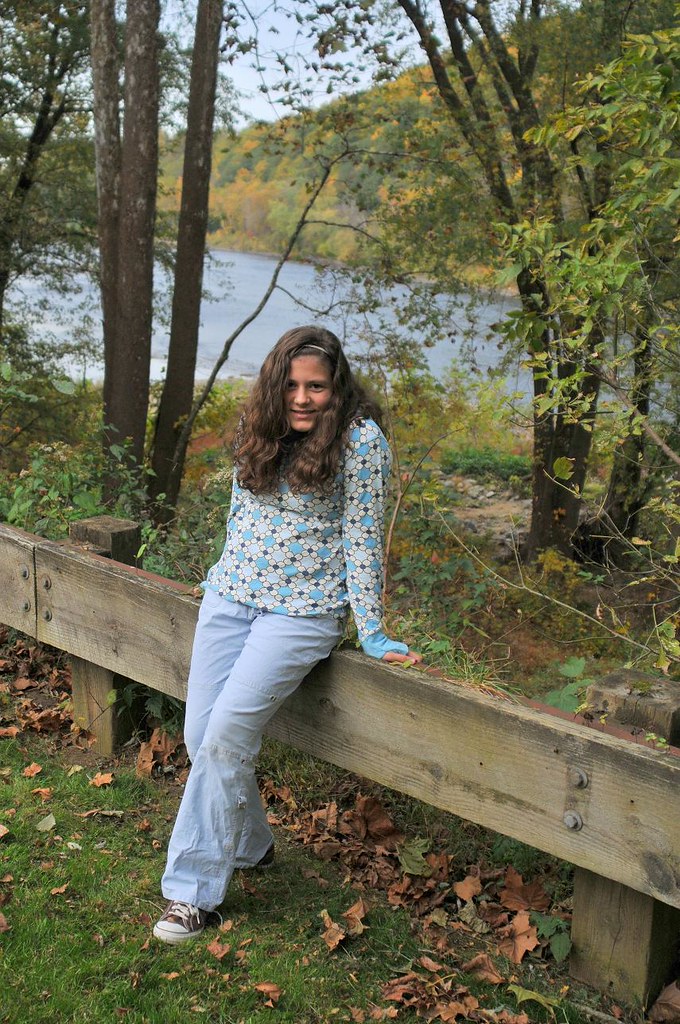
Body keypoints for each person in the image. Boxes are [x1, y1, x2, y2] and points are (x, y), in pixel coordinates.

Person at [153, 325, 422, 944]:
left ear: (337, 387)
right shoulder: (260, 421)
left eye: (317, 387)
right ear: (278, 381)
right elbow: (239, 508)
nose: (303, 398)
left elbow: (362, 540)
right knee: (200, 732)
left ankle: (192, 895)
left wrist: (372, 630)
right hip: (231, 596)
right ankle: (252, 845)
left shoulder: (362, 443)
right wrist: (225, 569)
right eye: (294, 384)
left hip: (301, 612)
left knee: (223, 735)